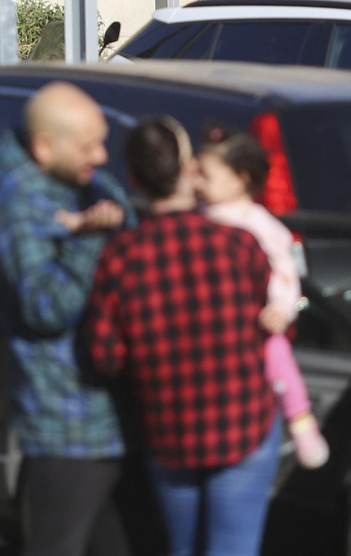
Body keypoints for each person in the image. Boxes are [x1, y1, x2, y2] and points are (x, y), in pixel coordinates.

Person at [83, 117, 278, 556]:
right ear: (189, 168)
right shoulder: (239, 244)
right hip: (243, 420)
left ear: (134, 179)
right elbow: (270, 320)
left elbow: (105, 355)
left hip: (169, 430)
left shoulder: (121, 256)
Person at [0, 81, 136, 556]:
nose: (101, 157)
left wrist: (104, 222)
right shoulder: (19, 208)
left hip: (110, 416)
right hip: (67, 424)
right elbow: (45, 309)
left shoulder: (84, 187)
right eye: (88, 147)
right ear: (44, 147)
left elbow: (126, 234)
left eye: (102, 143)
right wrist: (88, 241)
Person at [197, 126, 330, 469]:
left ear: (239, 180)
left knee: (278, 360)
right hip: (218, 322)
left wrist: (280, 309)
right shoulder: (200, 215)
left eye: (206, 175)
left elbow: (285, 272)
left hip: (258, 318)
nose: (197, 182)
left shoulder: (261, 224)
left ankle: (301, 421)